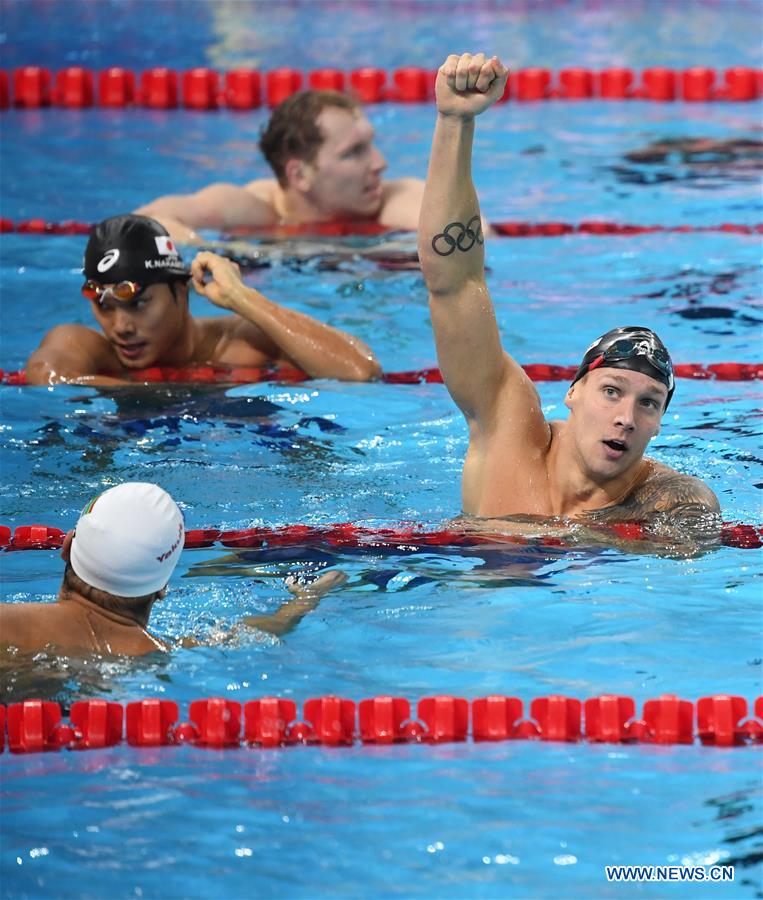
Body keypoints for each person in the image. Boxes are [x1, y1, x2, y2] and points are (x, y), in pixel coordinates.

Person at [417, 53, 720, 547]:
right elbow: (452, 282)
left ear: (660, 424)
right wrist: (455, 120)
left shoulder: (670, 498)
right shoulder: (505, 424)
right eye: (611, 390)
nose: (627, 417)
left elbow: (693, 545)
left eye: (649, 403)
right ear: (572, 392)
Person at [25, 214, 382, 386]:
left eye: (139, 303)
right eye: (104, 306)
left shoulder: (242, 342)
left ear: (181, 291)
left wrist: (244, 299)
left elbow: (361, 371)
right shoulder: (83, 346)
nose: (121, 327)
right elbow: (47, 378)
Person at [0, 482, 346, 656]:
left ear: (65, 548)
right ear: (163, 588)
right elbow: (258, 630)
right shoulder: (155, 654)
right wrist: (305, 600)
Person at [135, 90, 425, 243]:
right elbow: (141, 224)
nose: (380, 163)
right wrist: (209, 253)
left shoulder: (394, 200)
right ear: (300, 175)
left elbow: (459, 235)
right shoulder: (257, 209)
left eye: (371, 145)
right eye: (354, 152)